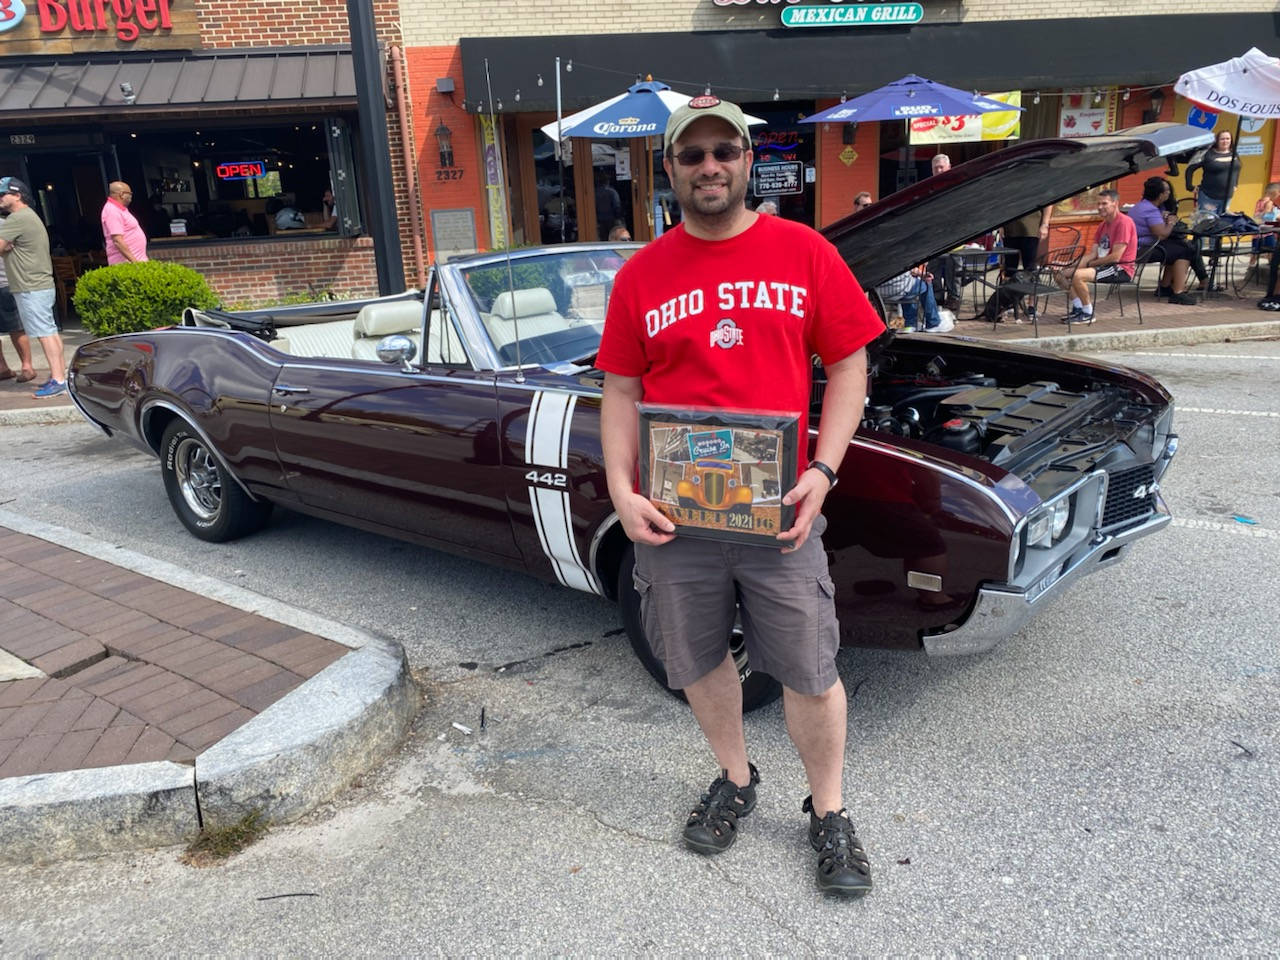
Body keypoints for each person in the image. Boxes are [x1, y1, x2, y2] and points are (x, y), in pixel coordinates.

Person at [596, 96, 883, 896]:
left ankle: (828, 812)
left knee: (809, 666)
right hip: (677, 517)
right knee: (695, 659)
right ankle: (736, 778)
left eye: (726, 150)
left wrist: (823, 472)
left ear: (750, 161)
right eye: (694, 155)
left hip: (780, 514)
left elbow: (851, 365)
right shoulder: (641, 275)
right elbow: (620, 390)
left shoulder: (804, 252)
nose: (711, 166)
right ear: (672, 169)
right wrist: (622, 488)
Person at [0, 177, 66, 398]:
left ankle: (57, 380)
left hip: (29, 285)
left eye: (3, 194)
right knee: (50, 330)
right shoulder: (29, 216)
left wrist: (6, 246)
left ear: (17, 195)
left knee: (44, 333)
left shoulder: (16, 218)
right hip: (39, 283)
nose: (0, 199)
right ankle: (60, 376)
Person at [1058, 189, 1136, 324]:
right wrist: (1070, 264)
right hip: (1102, 265)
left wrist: (1089, 265)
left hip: (1120, 268)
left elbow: (1115, 257)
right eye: (1098, 204)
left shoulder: (1124, 223)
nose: (1100, 207)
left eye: (1104, 204)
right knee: (1060, 273)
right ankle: (1078, 308)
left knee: (1077, 275)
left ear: (1115, 203)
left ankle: (1088, 313)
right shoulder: (1102, 225)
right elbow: (1093, 254)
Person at [1127, 176, 1198, 305]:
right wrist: (1171, 222)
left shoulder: (1142, 205)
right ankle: (1178, 292)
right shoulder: (1150, 210)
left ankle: (1165, 287)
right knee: (1184, 250)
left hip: (1137, 246)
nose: (1169, 193)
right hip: (1142, 250)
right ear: (1160, 195)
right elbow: (1162, 235)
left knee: (1176, 247)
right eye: (1166, 191)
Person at [927, 154, 962, 310]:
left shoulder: (957, 185)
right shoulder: (928, 187)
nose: (939, 170)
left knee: (953, 270)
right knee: (933, 269)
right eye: (936, 168)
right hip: (934, 237)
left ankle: (954, 298)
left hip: (954, 236)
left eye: (942, 167)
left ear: (949, 167)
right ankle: (937, 297)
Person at [876, 264, 950, 332]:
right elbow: (910, 268)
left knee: (911, 285)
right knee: (926, 283)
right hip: (901, 288)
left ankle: (910, 324)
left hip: (879, 293)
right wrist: (923, 274)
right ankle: (933, 322)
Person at [0, 255, 37, 383]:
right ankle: (3, 368)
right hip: (6, 283)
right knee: (16, 327)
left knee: (16, 327)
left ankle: (27, 367)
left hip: (5, 283)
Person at [1185, 130, 1241, 215]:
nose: (1225, 141)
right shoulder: (1208, 154)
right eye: (1222, 139)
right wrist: (1189, 186)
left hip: (1227, 197)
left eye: (1227, 139)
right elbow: (1190, 169)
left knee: (1222, 224)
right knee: (1207, 224)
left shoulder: (1234, 153)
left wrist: (1236, 184)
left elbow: (1237, 169)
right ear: (1217, 141)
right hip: (1208, 197)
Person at [101, 181, 148, 264]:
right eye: (130, 193)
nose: (131, 196)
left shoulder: (120, 209)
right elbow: (117, 240)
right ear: (122, 194)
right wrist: (135, 262)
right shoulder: (112, 211)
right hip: (127, 264)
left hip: (137, 261)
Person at [595, 173, 623, 241]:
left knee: (603, 238)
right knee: (613, 237)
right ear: (607, 181)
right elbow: (617, 205)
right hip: (611, 218)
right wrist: (618, 217)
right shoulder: (611, 192)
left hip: (599, 219)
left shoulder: (594, 192)